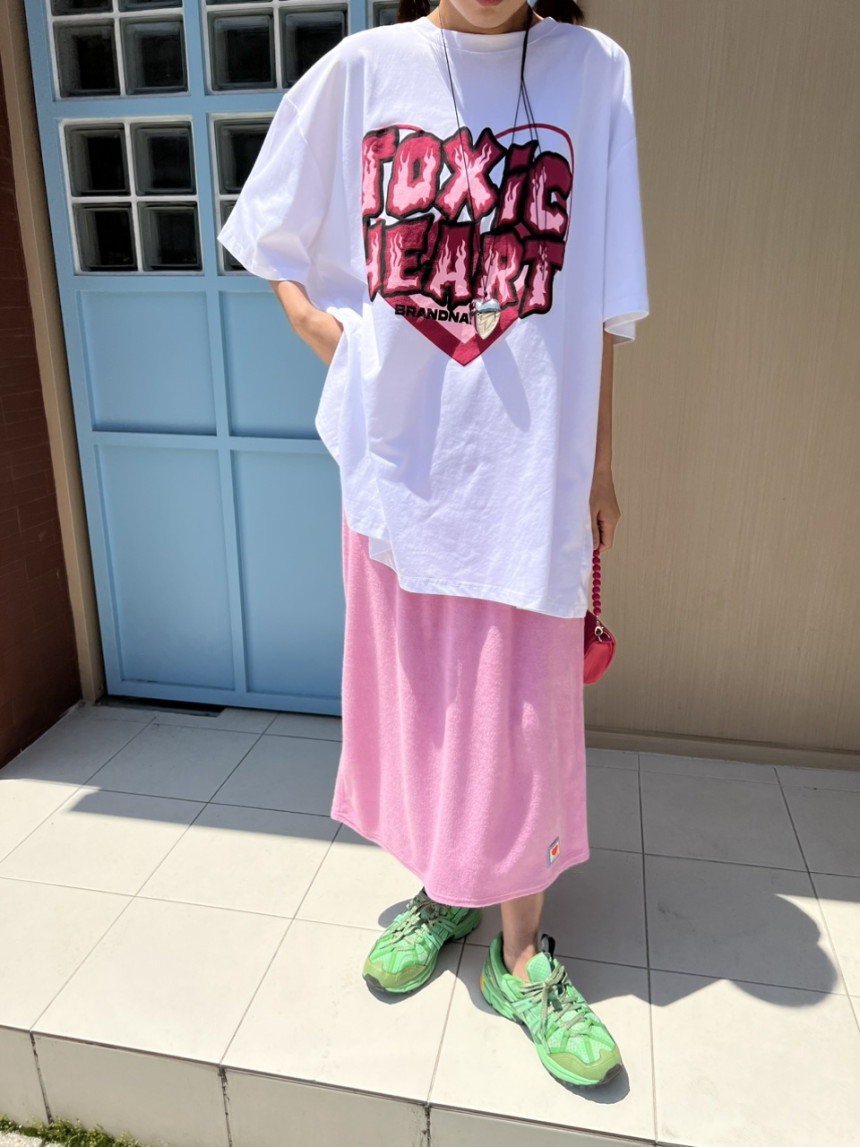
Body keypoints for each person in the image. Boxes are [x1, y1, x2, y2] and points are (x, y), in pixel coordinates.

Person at [219, 0, 648, 1090]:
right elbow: (268, 226)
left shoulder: (591, 70)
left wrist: (598, 465)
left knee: (522, 712)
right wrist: (324, 333)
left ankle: (519, 954)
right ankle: (447, 886)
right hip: (402, 466)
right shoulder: (366, 68)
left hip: (531, 470)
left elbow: (602, 298)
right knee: (419, 697)